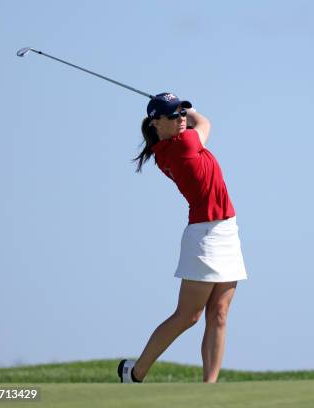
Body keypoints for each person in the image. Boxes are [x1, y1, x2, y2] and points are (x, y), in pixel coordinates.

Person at [117, 92, 247, 384]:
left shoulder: (172, 144)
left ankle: (209, 388)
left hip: (227, 229)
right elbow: (205, 122)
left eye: (181, 113)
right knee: (189, 316)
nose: (181, 118)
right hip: (204, 236)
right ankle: (135, 372)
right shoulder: (181, 146)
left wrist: (180, 108)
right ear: (156, 123)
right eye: (174, 115)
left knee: (220, 314)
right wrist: (193, 108)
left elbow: (195, 123)